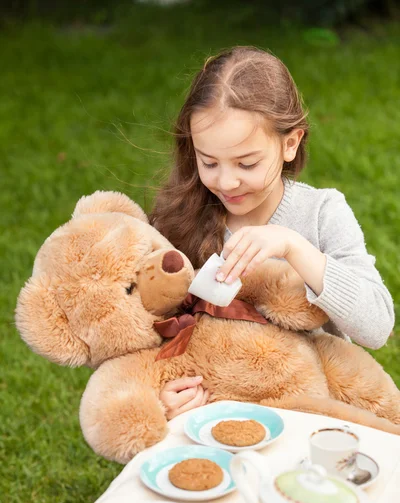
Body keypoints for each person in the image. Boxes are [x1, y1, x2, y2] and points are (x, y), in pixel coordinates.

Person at [149, 45, 394, 420]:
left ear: (290, 144)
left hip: (312, 413)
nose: (226, 181)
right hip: (214, 415)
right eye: (209, 162)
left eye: (247, 163)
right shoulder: (178, 219)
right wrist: (158, 395)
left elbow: (375, 327)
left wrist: (295, 248)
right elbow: (141, 330)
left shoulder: (321, 213)